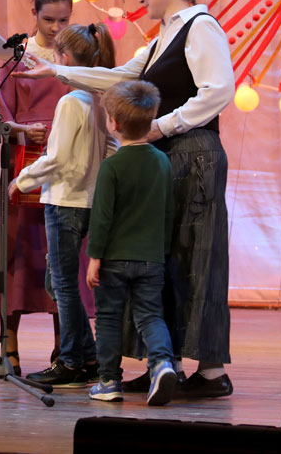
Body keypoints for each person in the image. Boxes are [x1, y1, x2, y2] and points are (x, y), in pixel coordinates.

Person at [24, 0, 235, 398]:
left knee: (197, 256)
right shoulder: (162, 37)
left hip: (195, 153)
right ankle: (166, 362)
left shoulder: (201, 26)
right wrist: (57, 69)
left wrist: (164, 125)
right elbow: (119, 77)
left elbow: (218, 91)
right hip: (172, 155)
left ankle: (212, 372)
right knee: (166, 258)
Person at [7, 23, 117, 388]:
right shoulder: (96, 99)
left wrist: (22, 180)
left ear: (63, 58)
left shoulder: (72, 101)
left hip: (65, 200)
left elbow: (56, 158)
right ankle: (87, 356)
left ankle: (70, 361)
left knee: (63, 285)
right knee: (60, 283)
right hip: (85, 200)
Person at [0, 0, 74, 375]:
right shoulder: (16, 57)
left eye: (63, 20)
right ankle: (8, 347)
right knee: (18, 251)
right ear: (34, 13)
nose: (56, 28)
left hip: (65, 162)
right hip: (23, 158)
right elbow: (0, 111)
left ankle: (66, 348)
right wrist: (22, 130)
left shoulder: (74, 56)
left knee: (63, 253)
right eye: (49, 20)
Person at [86, 80, 177, 406]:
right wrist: (161, 251)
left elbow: (102, 216)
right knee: (151, 316)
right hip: (151, 258)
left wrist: (95, 256)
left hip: (114, 258)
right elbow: (168, 211)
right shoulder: (162, 162)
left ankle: (109, 381)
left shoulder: (112, 166)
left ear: (114, 123)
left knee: (108, 318)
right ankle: (162, 364)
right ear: (150, 121)